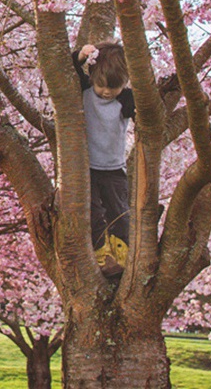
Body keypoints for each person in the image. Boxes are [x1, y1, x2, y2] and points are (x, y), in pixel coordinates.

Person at [73, 41, 135, 277]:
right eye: (102, 86)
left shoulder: (125, 99)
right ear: (92, 77)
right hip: (86, 167)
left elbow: (145, 110)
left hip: (113, 168)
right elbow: (68, 69)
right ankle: (102, 255)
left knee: (119, 212)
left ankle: (122, 256)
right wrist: (81, 55)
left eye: (114, 87)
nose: (107, 92)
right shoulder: (85, 90)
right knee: (93, 213)